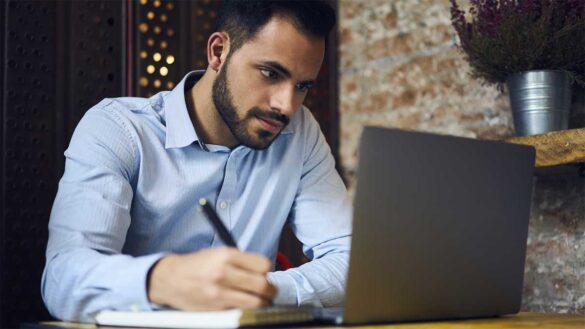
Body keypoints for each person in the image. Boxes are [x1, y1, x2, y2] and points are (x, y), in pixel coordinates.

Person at [42, 0, 352, 322]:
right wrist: (160, 281)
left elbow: (350, 262)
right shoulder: (119, 129)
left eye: (302, 86)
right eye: (270, 73)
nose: (286, 106)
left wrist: (257, 291)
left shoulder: (299, 133)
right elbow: (63, 281)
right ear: (218, 52)